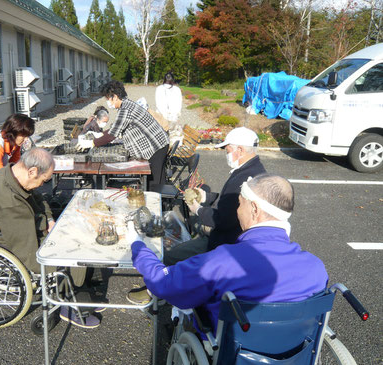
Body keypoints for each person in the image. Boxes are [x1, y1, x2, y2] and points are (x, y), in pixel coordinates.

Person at [129, 173, 329, 338]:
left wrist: (139, 247)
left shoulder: (224, 261)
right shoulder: (316, 267)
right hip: (291, 355)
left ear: (254, 209)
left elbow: (164, 283)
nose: (237, 210)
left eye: (240, 203)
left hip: (233, 350)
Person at [127, 127, 266, 304]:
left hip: (223, 244)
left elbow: (222, 220)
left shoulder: (243, 178)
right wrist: (208, 197)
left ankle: (157, 292)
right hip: (229, 241)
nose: (226, 153)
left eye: (228, 149)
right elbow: (230, 202)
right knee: (178, 253)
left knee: (171, 256)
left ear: (240, 149)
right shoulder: (254, 170)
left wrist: (198, 209)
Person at [0, 148, 99, 328]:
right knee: (76, 250)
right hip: (19, 246)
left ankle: (80, 289)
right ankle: (68, 303)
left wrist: (50, 219)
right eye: (44, 180)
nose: (43, 184)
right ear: (32, 171)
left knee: (77, 233)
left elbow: (40, 199)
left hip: (24, 231)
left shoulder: (11, 174)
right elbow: (27, 249)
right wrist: (58, 236)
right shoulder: (9, 202)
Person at [76, 80, 170, 187]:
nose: (109, 102)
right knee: (156, 180)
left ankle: (159, 201)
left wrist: (92, 143)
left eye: (108, 99)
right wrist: (100, 136)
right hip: (158, 143)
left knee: (154, 182)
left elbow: (112, 135)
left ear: (115, 97)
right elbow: (116, 127)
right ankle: (163, 201)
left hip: (156, 146)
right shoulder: (127, 105)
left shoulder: (125, 109)